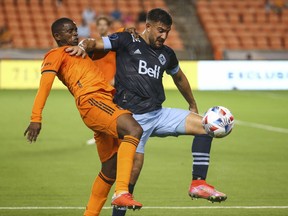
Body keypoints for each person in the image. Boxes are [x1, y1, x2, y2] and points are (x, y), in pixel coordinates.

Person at [67, 8, 227, 216]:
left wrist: (192, 104)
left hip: (158, 114)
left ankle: (198, 183)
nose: (164, 36)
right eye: (160, 30)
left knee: (206, 126)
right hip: (132, 120)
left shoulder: (166, 54)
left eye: (167, 32)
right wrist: (82, 45)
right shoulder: (126, 40)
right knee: (130, 175)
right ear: (148, 26)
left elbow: (179, 77)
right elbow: (95, 43)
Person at [23, 18, 143, 216]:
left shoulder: (81, 51)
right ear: (57, 36)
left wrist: (123, 30)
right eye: (69, 31)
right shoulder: (56, 54)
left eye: (75, 30)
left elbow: (104, 45)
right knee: (134, 129)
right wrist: (36, 117)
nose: (74, 34)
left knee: (110, 168)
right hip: (92, 101)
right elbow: (45, 85)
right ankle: (121, 192)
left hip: (104, 104)